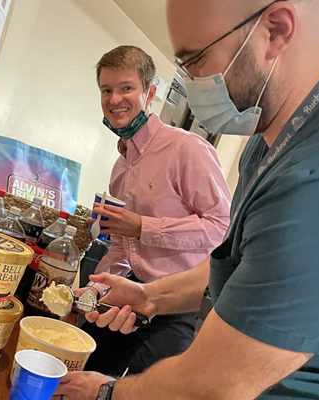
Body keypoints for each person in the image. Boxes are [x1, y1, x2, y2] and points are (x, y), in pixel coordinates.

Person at [56, 0, 319, 399]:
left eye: (196, 60)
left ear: (276, 30)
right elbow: (234, 260)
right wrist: (148, 295)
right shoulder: (266, 147)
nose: (191, 83)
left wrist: (107, 393)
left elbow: (217, 383)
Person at [79, 45, 231, 376]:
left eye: (126, 88)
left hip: (178, 303)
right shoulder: (120, 168)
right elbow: (120, 248)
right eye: (107, 90)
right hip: (131, 291)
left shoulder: (186, 149)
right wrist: (96, 286)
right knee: (82, 369)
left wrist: (143, 226)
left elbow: (221, 227)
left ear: (150, 93)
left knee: (151, 390)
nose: (114, 99)